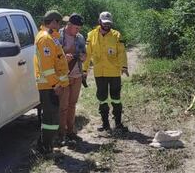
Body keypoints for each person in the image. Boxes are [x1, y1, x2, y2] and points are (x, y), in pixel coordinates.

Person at [83, 11, 129, 132]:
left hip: (114, 73)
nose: (107, 25)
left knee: (116, 98)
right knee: (102, 98)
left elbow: (121, 52)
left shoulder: (116, 35)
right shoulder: (91, 35)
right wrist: (84, 70)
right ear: (99, 22)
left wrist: (124, 67)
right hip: (100, 73)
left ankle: (118, 123)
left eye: (109, 23)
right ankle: (105, 124)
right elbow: (87, 54)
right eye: (104, 23)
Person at [34, 10, 70, 153]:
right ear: (53, 21)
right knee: (50, 118)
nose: (60, 25)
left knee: (52, 117)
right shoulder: (45, 39)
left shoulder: (52, 37)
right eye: (59, 22)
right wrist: (55, 84)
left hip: (52, 85)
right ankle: (45, 148)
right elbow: (47, 66)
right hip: (48, 85)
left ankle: (46, 145)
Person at [58, 13, 87, 145]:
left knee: (72, 105)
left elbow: (84, 54)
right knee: (63, 106)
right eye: (76, 28)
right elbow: (53, 57)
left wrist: (82, 57)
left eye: (79, 28)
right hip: (63, 77)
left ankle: (70, 131)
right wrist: (64, 58)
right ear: (68, 25)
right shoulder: (58, 36)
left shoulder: (80, 37)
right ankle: (61, 134)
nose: (78, 31)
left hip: (77, 75)